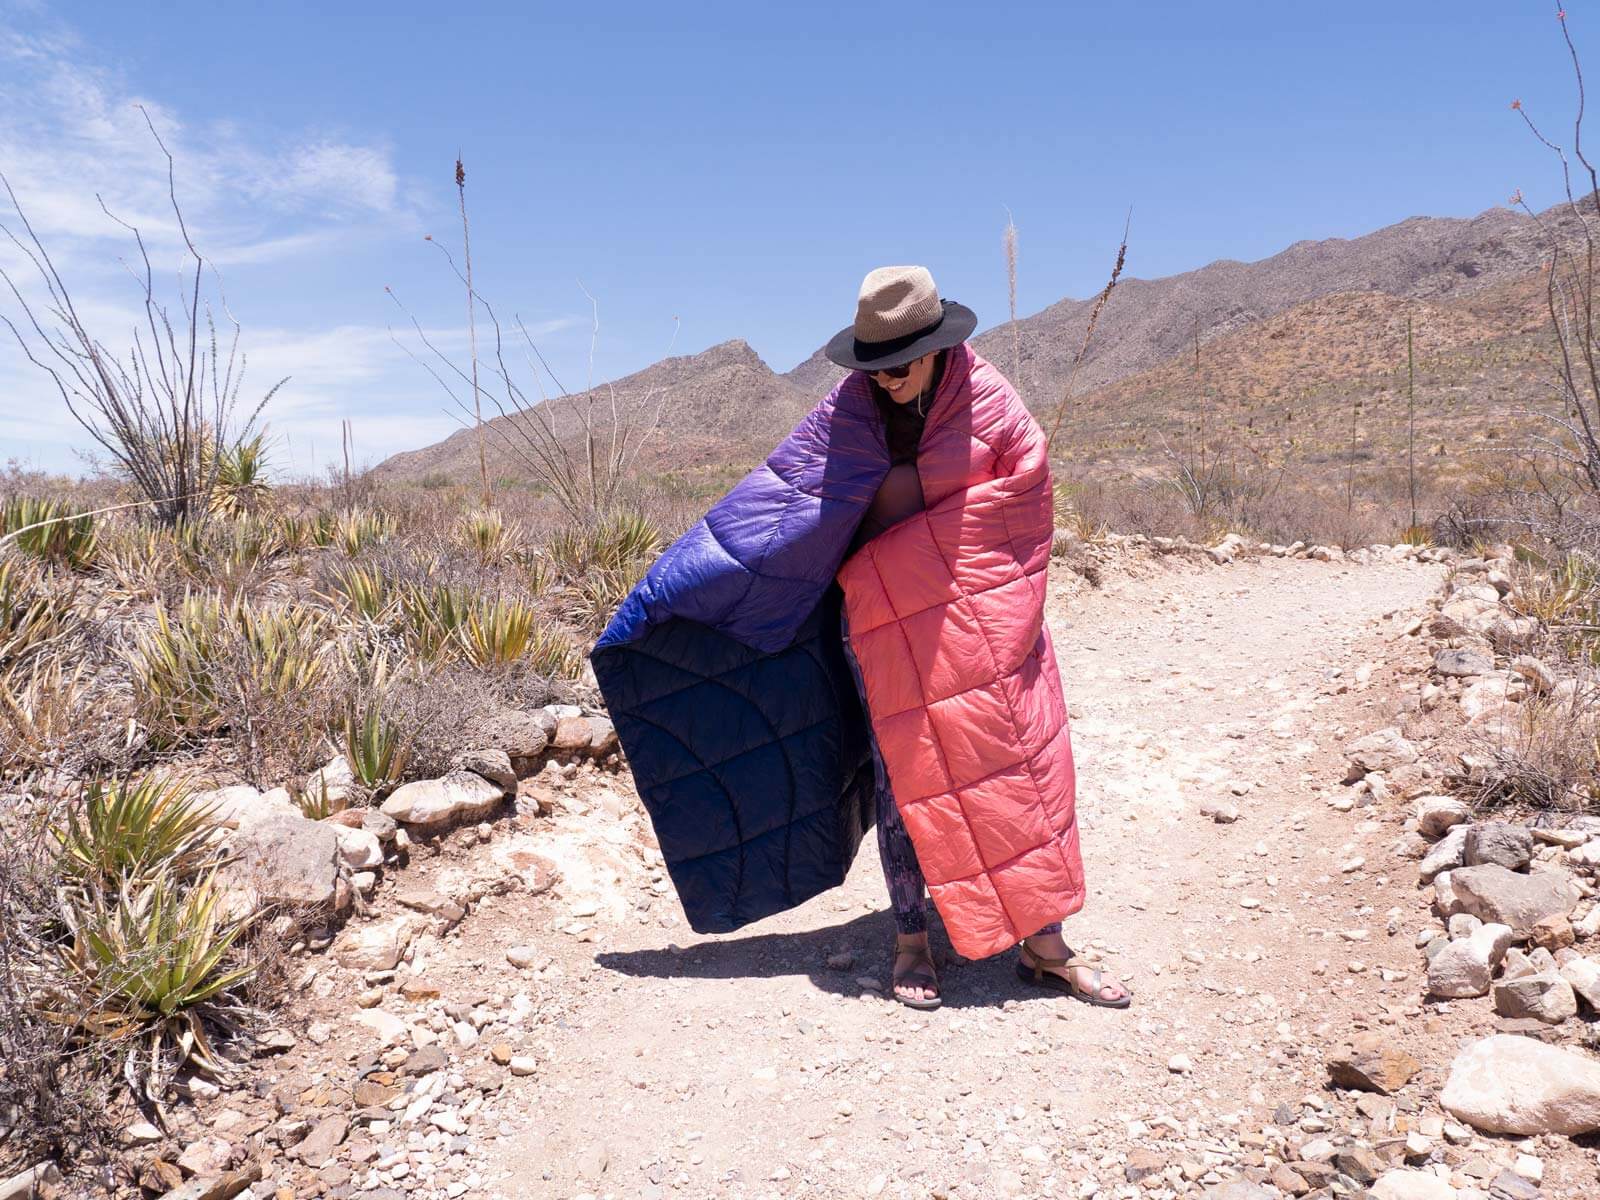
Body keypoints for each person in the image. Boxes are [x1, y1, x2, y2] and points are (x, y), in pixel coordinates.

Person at [823, 266, 1130, 1011]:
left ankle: (1045, 948)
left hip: (983, 620)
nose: (886, 380)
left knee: (1019, 767)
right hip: (886, 627)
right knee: (905, 779)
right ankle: (912, 941)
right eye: (874, 366)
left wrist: (916, 550)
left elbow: (1024, 500)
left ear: (934, 347)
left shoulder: (988, 400)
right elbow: (803, 505)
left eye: (899, 364)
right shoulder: (847, 408)